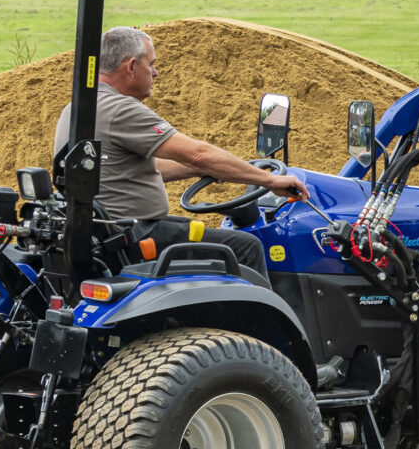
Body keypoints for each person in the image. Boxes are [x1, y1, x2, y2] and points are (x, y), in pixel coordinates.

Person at [54, 26, 307, 279]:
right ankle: (263, 319)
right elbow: (198, 153)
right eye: (151, 64)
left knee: (189, 228)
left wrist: (202, 169)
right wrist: (270, 180)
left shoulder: (76, 109)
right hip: (135, 239)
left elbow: (144, 167)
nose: (156, 72)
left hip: (110, 235)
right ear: (131, 67)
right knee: (246, 247)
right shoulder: (121, 109)